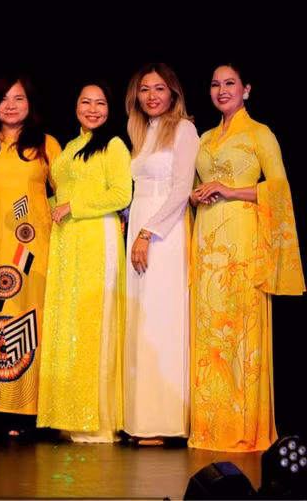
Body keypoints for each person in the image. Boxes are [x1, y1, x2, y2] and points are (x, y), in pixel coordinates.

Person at [189, 63, 304, 452]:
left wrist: (231, 190)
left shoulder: (260, 133)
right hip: (207, 243)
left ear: (247, 89)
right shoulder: (204, 138)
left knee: (239, 332)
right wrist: (198, 193)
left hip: (241, 243)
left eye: (230, 84)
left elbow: (279, 190)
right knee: (210, 337)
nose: (222, 90)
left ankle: (242, 427)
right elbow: (194, 189)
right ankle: (210, 427)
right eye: (215, 84)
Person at [0, 74, 62, 437]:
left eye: (18, 98)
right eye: (4, 98)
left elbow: (66, 189)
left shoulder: (47, 145)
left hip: (30, 248)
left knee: (28, 317)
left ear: (30, 103)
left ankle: (27, 409)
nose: (11, 105)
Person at [37, 82, 131, 443]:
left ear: (111, 108)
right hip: (67, 241)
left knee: (95, 324)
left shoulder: (114, 145)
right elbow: (58, 193)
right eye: (86, 102)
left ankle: (100, 420)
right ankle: (72, 416)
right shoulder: (72, 146)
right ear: (75, 106)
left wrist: (73, 208)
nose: (93, 109)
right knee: (70, 325)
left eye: (101, 103)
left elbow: (122, 194)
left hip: (96, 238)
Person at [123, 64, 199, 444]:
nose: (152, 95)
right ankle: (139, 419)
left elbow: (182, 187)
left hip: (163, 235)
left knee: (161, 321)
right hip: (139, 226)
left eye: (159, 88)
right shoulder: (141, 132)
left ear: (173, 93)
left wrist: (148, 232)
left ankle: (164, 422)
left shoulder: (184, 129)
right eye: (144, 89)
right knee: (140, 321)